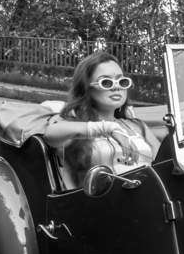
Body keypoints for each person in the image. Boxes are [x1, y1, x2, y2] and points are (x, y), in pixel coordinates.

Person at [44, 51, 161, 190]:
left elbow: (165, 162)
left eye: (122, 81)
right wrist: (108, 128)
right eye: (106, 82)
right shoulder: (74, 126)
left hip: (151, 195)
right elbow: (50, 135)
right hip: (102, 200)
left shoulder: (137, 125)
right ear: (86, 88)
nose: (116, 87)